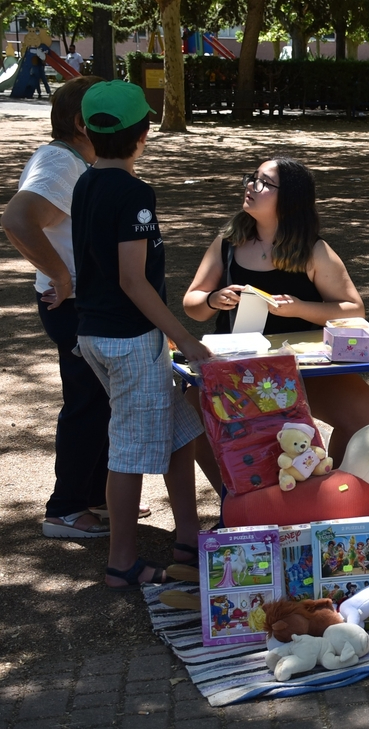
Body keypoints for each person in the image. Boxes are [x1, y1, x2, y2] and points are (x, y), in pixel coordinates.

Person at [71, 80, 212, 590]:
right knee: (129, 453)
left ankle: (189, 537)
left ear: (86, 130)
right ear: (143, 133)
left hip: (100, 334)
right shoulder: (133, 193)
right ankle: (122, 563)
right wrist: (185, 339)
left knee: (181, 432)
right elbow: (132, 280)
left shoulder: (86, 181)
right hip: (129, 340)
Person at [182, 157, 369, 493]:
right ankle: (236, 500)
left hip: (300, 368)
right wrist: (213, 300)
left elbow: (354, 309)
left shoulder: (313, 250)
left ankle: (327, 493)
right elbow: (193, 304)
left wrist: (299, 308)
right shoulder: (228, 241)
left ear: (289, 199)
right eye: (252, 178)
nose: (251, 186)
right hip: (238, 370)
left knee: (360, 409)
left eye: (264, 183)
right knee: (191, 411)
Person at [1, 75, 125, 539]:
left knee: (99, 400)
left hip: (82, 304)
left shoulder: (73, 161)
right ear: (81, 123)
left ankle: (93, 497)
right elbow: (17, 219)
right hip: (71, 306)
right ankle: (67, 509)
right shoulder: (58, 162)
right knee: (86, 402)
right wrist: (61, 275)